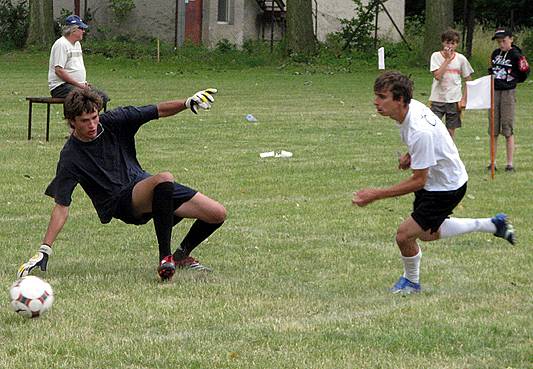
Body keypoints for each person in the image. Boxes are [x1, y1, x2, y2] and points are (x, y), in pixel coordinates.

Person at [17, 87, 225, 281]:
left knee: (217, 214)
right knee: (164, 178)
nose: (91, 125)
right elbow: (62, 206)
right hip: (120, 203)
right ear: (71, 121)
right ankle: (166, 259)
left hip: (144, 185)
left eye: (94, 118)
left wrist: (187, 102)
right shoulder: (71, 156)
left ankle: (182, 255)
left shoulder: (114, 121)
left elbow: (156, 110)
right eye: (84, 121)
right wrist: (45, 249)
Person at [353, 71, 515, 294]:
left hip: (446, 187)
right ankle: (493, 224)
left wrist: (376, 194)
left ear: (400, 100)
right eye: (376, 96)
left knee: (404, 235)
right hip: (438, 182)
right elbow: (435, 138)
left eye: (382, 97)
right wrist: (412, 156)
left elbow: (419, 180)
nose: (376, 102)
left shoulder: (420, 131)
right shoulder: (412, 110)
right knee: (427, 234)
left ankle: (411, 282)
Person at [48, 15, 109, 110]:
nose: (84, 31)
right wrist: (80, 85)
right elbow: (59, 71)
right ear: (73, 30)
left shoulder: (77, 44)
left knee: (102, 97)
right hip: (61, 87)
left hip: (76, 86)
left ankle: (91, 121)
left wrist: (83, 83)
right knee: (88, 97)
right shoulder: (61, 44)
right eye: (81, 28)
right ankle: (82, 121)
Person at [488, 28, 527, 172]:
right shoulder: (495, 54)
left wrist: (512, 81)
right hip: (494, 92)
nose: (501, 44)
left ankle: (509, 163)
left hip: (508, 92)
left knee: (507, 127)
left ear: (511, 39)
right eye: (499, 42)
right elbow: (491, 69)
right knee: (493, 127)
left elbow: (524, 72)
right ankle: (492, 161)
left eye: (504, 41)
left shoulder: (516, 55)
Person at [429, 29, 474, 140]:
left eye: (453, 43)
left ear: (456, 44)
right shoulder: (435, 56)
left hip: (454, 100)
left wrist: (464, 99)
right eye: (447, 42)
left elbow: (468, 80)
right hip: (437, 99)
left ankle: (449, 154)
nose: (450, 46)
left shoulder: (461, 59)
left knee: (450, 131)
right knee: (433, 128)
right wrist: (447, 60)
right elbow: (437, 76)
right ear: (443, 43)